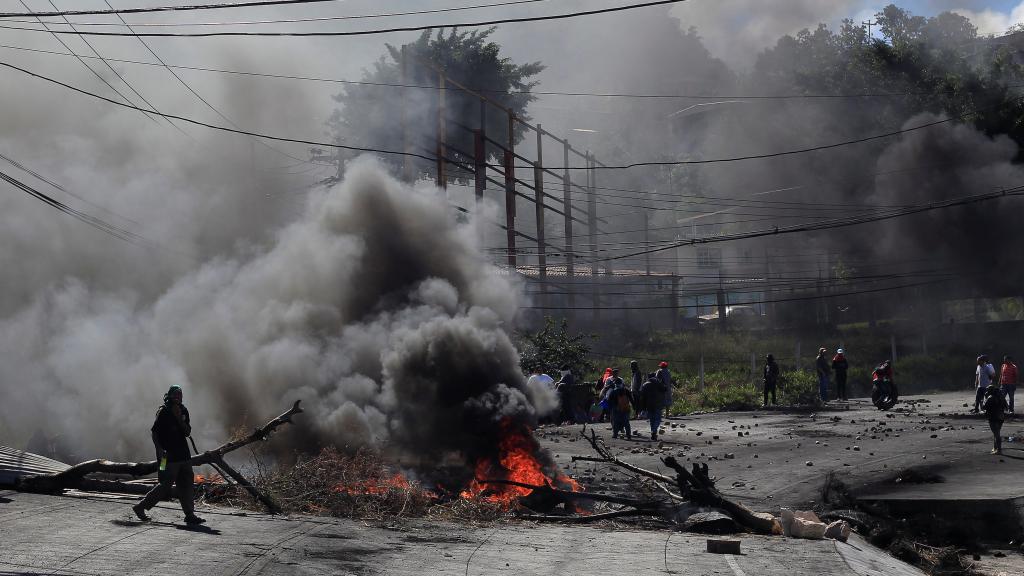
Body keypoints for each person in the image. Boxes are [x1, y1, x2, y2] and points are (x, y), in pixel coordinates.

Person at [132, 385, 205, 525]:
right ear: (170, 395)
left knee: (187, 484)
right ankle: (140, 507)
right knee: (165, 484)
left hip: (184, 456)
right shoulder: (163, 411)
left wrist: (179, 418)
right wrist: (159, 449)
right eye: (175, 394)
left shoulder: (183, 411)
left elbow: (187, 432)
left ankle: (190, 514)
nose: (178, 396)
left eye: (180, 394)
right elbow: (154, 432)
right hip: (167, 457)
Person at [982, 378, 1009, 454]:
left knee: (996, 434)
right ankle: (995, 447)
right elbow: (1006, 407)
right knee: (997, 433)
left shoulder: (990, 398)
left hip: (993, 417)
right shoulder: (1001, 397)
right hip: (1001, 417)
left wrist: (984, 399)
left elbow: (984, 407)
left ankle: (999, 450)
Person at [640, 372, 666, 441]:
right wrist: (663, 381)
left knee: (652, 420)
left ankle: (653, 434)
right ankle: (654, 431)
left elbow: (642, 397)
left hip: (649, 405)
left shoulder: (645, 385)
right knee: (657, 419)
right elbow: (664, 389)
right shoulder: (658, 383)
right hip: (657, 404)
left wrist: (643, 407)